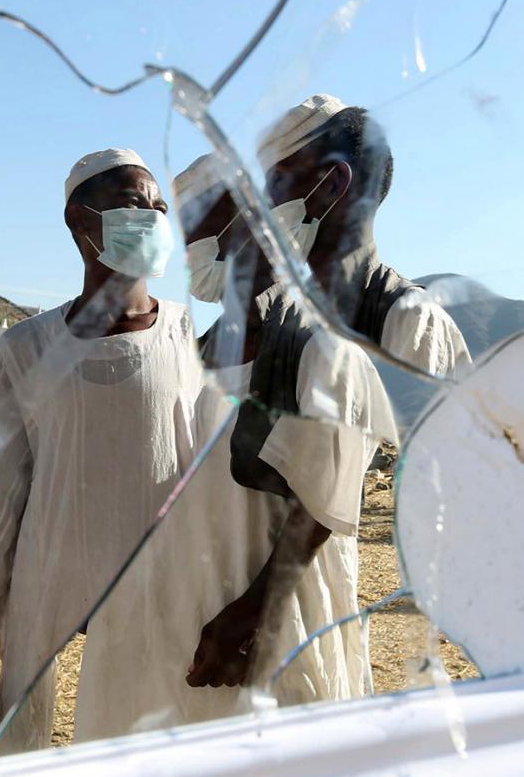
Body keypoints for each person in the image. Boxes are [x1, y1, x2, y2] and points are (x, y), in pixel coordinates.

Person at [73, 154, 396, 741]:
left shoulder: (318, 346)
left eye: (208, 226)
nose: (196, 247)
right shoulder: (196, 352)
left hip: (279, 612)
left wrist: (253, 614)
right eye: (191, 232)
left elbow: (324, 500)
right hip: (195, 606)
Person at [0, 148, 202, 754]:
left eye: (158, 208)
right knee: (20, 741)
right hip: (47, 588)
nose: (151, 219)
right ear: (80, 219)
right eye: (132, 205)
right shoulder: (24, 350)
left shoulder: (189, 337)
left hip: (166, 595)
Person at [257, 94, 472, 389]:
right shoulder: (285, 323)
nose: (265, 203)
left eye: (278, 181)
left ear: (332, 185)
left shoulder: (410, 321)